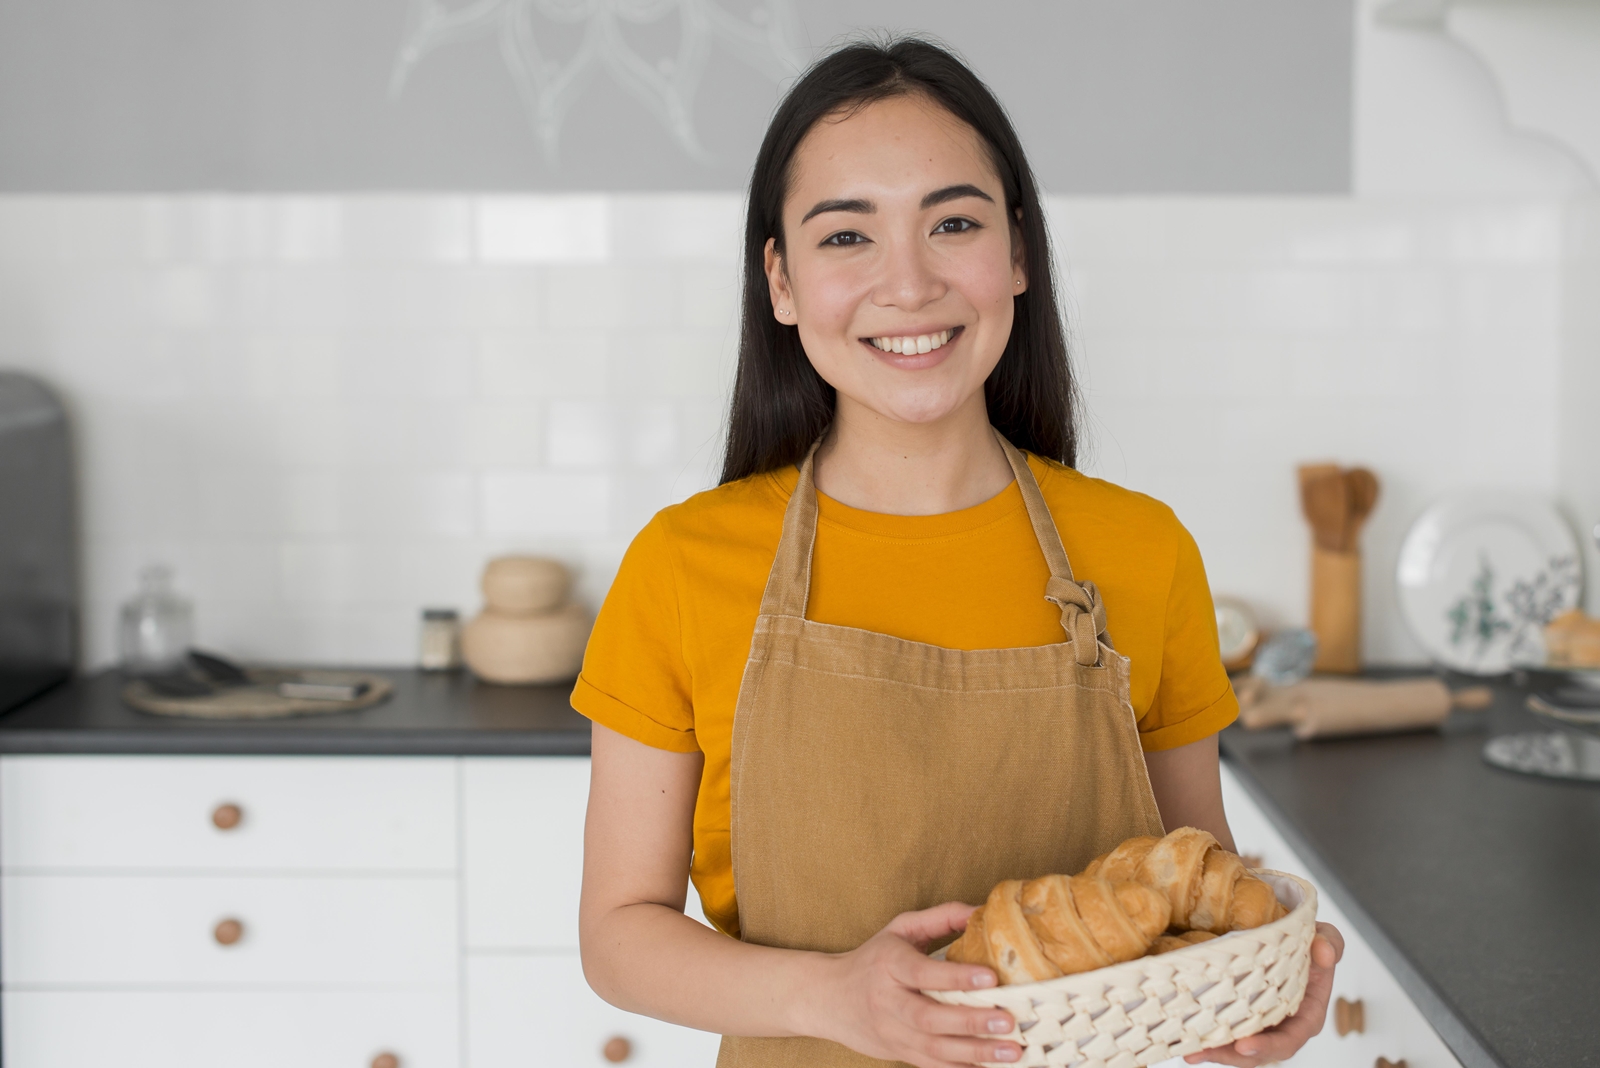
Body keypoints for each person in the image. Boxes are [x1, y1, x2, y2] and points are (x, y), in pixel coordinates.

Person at [574, 36, 1342, 1068]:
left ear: (1016, 254)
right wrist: (831, 995)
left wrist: (1250, 991)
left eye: (953, 223)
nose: (909, 282)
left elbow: (1191, 883)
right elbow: (618, 937)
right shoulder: (683, 565)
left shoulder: (1142, 550)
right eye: (846, 237)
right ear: (782, 281)